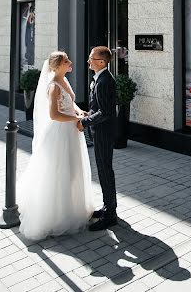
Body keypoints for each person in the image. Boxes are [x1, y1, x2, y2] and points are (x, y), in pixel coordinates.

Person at [18, 51, 95, 241]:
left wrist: (79, 111)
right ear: (58, 65)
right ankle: (55, 215)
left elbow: (70, 103)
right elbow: (54, 115)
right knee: (59, 171)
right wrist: (76, 118)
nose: (70, 62)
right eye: (67, 60)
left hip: (70, 131)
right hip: (59, 133)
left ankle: (71, 207)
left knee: (72, 170)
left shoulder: (64, 80)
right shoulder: (53, 86)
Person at [77, 46, 118, 231]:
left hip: (103, 132)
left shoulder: (104, 81)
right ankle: (108, 207)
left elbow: (106, 112)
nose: (88, 61)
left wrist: (85, 122)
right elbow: (99, 108)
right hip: (99, 130)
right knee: (103, 170)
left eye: (91, 58)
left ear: (101, 62)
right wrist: (89, 113)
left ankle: (110, 215)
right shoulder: (99, 78)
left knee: (105, 171)